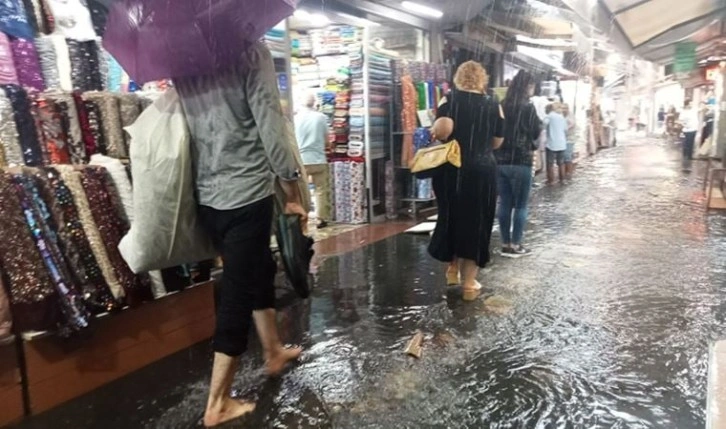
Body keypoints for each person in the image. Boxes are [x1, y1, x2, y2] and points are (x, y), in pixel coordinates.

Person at [175, 41, 305, 427]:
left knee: (257, 268)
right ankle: (217, 403)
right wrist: (291, 186)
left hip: (208, 193)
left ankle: (273, 350)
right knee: (236, 292)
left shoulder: (185, 54)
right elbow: (269, 119)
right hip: (246, 192)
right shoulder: (248, 50)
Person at [429, 61, 504, 301]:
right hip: (482, 170)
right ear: (482, 79)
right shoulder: (493, 104)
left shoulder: (449, 100)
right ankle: (469, 282)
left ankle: (452, 267)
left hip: (452, 169)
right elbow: (497, 142)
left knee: (451, 216)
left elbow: (442, 132)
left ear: (458, 78)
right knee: (477, 223)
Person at [496, 70, 541, 257]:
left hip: (500, 160)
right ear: (527, 86)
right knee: (521, 205)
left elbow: (496, 130)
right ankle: (516, 245)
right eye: (532, 86)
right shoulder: (528, 107)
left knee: (505, 202)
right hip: (522, 160)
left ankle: (505, 243)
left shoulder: (502, 105)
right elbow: (535, 132)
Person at [295, 93, 332, 227]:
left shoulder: (295, 118)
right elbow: (327, 141)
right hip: (318, 159)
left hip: (301, 160)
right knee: (321, 190)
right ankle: (321, 219)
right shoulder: (321, 117)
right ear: (315, 103)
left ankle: (303, 216)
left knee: (302, 190)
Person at [544, 102, 568, 184]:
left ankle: (551, 181)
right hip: (561, 143)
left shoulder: (550, 116)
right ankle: (562, 179)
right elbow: (565, 129)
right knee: (561, 163)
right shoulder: (561, 117)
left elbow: (543, 124)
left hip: (551, 143)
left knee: (550, 163)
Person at [680, 100, 699, 167]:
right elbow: (681, 120)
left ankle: (690, 156)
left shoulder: (694, 110)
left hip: (694, 129)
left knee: (692, 143)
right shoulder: (683, 112)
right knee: (687, 142)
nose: (691, 105)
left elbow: (701, 109)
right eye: (690, 104)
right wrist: (685, 125)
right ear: (687, 105)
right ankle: (685, 155)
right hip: (687, 129)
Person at [562, 103, 576, 178]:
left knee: (567, 156)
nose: (564, 110)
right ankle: (565, 173)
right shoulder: (561, 115)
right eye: (563, 108)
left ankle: (569, 173)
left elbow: (572, 124)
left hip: (569, 139)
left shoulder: (570, 115)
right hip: (562, 139)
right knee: (563, 157)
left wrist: (564, 129)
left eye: (565, 108)